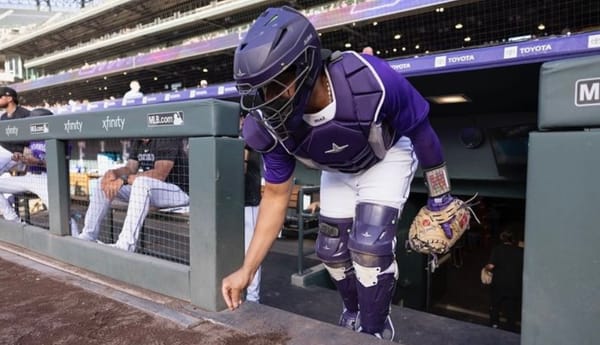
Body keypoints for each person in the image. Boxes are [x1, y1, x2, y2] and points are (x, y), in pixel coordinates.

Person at [222, 6, 461, 340]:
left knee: (369, 248)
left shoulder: (368, 80)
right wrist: (247, 270)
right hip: (337, 170)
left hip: (385, 156)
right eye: (260, 90)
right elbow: (276, 196)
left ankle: (375, 331)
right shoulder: (268, 126)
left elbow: (422, 131)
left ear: (304, 65)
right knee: (331, 252)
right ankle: (353, 315)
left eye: (276, 85)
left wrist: (441, 198)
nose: (265, 100)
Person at [76, 138, 189, 252]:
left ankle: (125, 246)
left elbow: (160, 174)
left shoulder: (164, 137)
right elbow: (130, 168)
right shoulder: (139, 140)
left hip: (178, 192)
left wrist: (124, 179)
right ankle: (88, 236)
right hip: (152, 191)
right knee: (103, 183)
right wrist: (114, 174)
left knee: (140, 183)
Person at [0, 108, 52, 223]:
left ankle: (77, 238)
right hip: (30, 177)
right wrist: (21, 158)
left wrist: (38, 162)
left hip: (46, 180)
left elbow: (58, 165)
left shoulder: (56, 139)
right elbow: (29, 160)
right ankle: (14, 221)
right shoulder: (32, 139)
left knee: (59, 213)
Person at [483, 227, 524, 332]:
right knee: (511, 308)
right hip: (515, 284)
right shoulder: (520, 251)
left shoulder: (497, 249)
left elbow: (491, 266)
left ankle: (494, 324)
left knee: (495, 305)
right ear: (513, 239)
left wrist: (485, 268)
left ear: (502, 238)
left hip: (499, 284)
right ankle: (510, 327)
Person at [242, 119, 263, 302]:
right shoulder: (231, 136)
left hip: (249, 200)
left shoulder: (248, 136)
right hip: (230, 203)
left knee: (251, 251)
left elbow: (241, 167)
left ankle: (253, 297)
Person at [0, 87, 30, 175]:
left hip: (17, 154)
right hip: (4, 151)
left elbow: (32, 139)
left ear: (9, 98)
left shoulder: (26, 114)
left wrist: (22, 152)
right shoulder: (3, 117)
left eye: (0, 97)